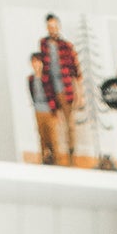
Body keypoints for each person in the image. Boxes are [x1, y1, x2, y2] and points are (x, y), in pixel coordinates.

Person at [37, 13, 81, 162]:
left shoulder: (67, 46)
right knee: (52, 124)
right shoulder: (43, 44)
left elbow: (76, 72)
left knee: (69, 124)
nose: (52, 29)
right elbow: (43, 68)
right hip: (50, 90)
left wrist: (79, 94)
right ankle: (53, 155)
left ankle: (71, 154)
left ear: (59, 27)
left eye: (55, 26)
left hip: (65, 90)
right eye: (50, 26)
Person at [26, 49, 63, 165]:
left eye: (38, 62)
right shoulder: (31, 79)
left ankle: (56, 161)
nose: (36, 65)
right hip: (38, 111)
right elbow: (32, 94)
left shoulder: (47, 78)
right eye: (33, 62)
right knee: (42, 137)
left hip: (49, 111)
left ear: (42, 63)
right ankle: (44, 159)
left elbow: (53, 94)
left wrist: (56, 111)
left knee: (52, 137)